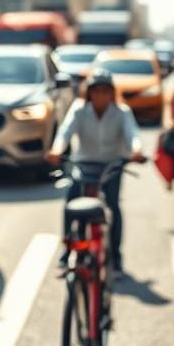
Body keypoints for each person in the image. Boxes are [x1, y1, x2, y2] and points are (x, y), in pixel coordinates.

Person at [46, 68, 145, 275]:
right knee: (71, 203)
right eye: (96, 90)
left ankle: (116, 258)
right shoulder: (79, 109)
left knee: (113, 207)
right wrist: (56, 151)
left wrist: (136, 151)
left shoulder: (121, 112)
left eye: (105, 91)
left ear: (112, 93)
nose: (100, 95)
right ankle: (69, 250)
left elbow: (132, 134)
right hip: (84, 165)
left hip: (111, 166)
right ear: (88, 92)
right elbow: (65, 132)